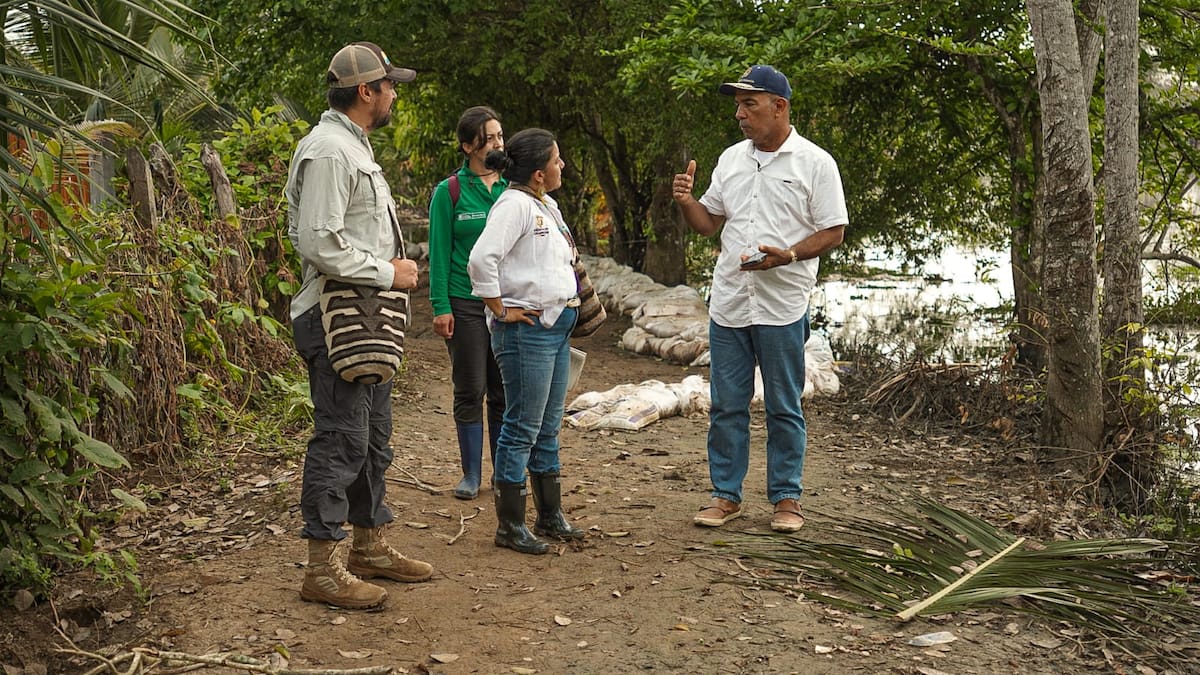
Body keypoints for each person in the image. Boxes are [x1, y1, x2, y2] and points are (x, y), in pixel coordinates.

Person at [285, 41, 433, 609]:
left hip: (363, 319)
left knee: (373, 437)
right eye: (390, 85)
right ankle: (322, 566)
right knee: (342, 437)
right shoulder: (329, 151)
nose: (395, 93)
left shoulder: (354, 148)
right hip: (335, 317)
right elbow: (319, 241)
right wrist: (387, 272)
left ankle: (369, 545)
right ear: (366, 91)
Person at [671, 65, 847, 533]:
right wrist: (687, 201)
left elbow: (833, 230)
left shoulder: (814, 163)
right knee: (727, 404)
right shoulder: (730, 160)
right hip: (730, 302)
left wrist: (787, 255)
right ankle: (725, 495)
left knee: (782, 405)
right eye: (738, 105)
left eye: (749, 104)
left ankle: (786, 498)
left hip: (782, 305)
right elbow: (709, 222)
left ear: (780, 106)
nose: (740, 114)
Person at [467, 128, 584, 555]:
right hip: (526, 333)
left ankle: (549, 514)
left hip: (554, 328)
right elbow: (481, 258)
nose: (562, 166)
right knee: (521, 427)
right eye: (557, 160)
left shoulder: (545, 205)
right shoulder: (514, 206)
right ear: (538, 173)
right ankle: (510, 525)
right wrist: (500, 308)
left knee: (548, 427)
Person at [428, 106, 508, 500]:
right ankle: (470, 474)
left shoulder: (513, 188)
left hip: (506, 304)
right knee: (470, 387)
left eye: (499, 136)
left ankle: (502, 473)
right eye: (488, 138)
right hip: (465, 302)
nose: (497, 144)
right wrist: (440, 306)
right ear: (468, 146)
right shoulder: (451, 192)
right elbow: (439, 253)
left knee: (502, 390)